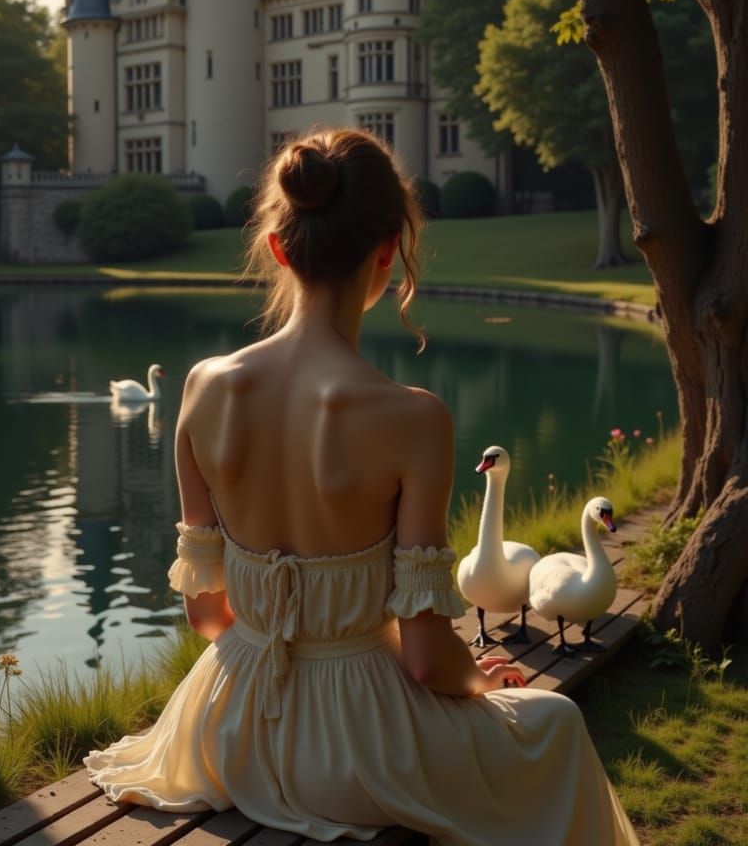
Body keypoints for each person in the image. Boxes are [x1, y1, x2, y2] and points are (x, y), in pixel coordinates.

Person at [85, 128, 639, 846]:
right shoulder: (413, 419)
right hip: (348, 753)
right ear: (388, 252)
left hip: (221, 728)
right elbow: (425, 659)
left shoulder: (202, 387)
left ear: (280, 248)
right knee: (555, 723)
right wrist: (483, 681)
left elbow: (208, 618)